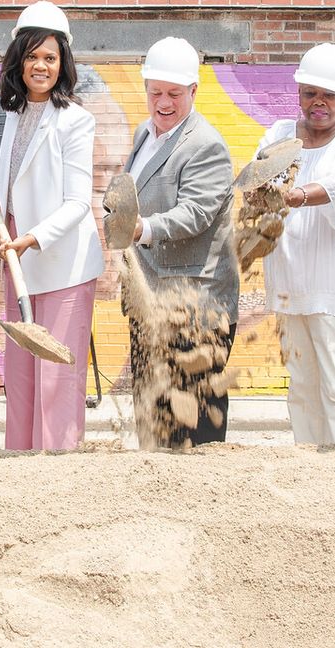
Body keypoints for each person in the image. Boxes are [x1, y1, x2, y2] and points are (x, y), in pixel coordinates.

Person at [0, 2, 103, 451]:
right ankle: (20, 460)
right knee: (20, 372)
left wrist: (31, 238)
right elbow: (24, 178)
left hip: (60, 265)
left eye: (50, 58)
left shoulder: (76, 120)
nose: (40, 65)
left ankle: (56, 469)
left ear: (62, 63)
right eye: (32, 56)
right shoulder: (14, 115)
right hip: (20, 263)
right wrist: (3, 199)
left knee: (55, 376)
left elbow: (77, 203)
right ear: (18, 59)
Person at [119, 36, 240, 447]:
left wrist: (141, 229)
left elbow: (196, 212)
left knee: (196, 427)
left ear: (193, 91)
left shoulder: (205, 144)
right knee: (154, 417)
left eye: (174, 94)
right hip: (150, 300)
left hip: (195, 308)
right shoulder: (144, 134)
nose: (163, 102)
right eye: (155, 92)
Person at [258, 43, 335, 445]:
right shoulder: (279, 135)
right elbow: (258, 179)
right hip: (290, 285)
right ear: (298, 93)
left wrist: (299, 195)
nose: (318, 104)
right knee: (302, 387)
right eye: (310, 93)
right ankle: (308, 466)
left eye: (328, 96)